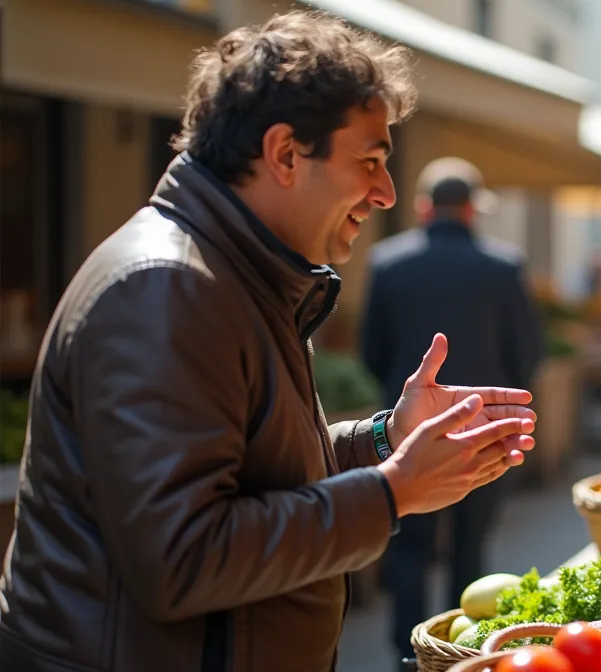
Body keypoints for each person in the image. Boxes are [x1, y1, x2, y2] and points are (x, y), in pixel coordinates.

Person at [0, 13, 536, 671]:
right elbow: (181, 558)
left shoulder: (232, 273)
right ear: (284, 154)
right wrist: (393, 490)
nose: (385, 192)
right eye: (368, 161)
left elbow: (258, 480)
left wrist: (384, 440)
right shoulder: (168, 288)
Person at [360, 156, 544, 665]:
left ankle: (407, 651)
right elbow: (528, 351)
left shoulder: (387, 262)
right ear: (472, 209)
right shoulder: (503, 266)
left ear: (423, 208)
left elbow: (370, 351)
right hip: (485, 427)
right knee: (470, 544)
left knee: (409, 545)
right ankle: (461, 652)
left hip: (408, 431)